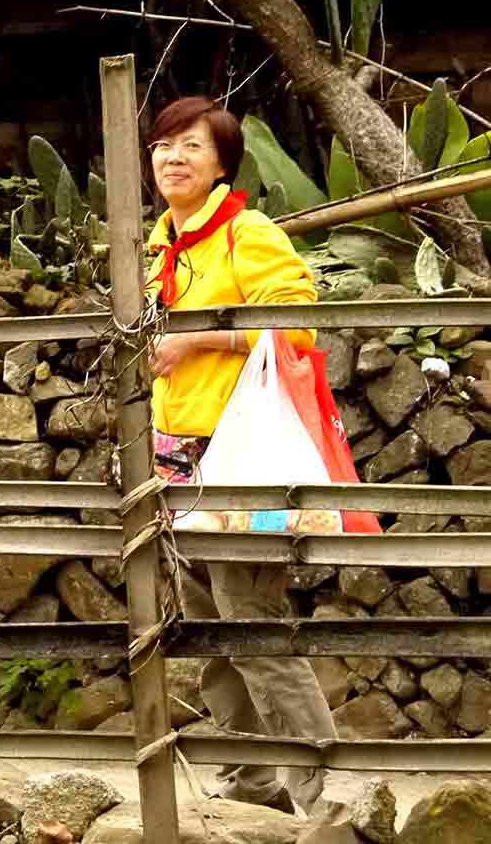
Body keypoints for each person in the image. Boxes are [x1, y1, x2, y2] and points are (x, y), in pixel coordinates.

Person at [145, 95, 336, 815]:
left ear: (223, 162)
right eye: (164, 146)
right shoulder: (163, 246)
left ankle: (322, 787)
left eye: (192, 146)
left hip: (238, 461)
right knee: (208, 626)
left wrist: (200, 338)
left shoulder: (245, 233)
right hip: (176, 461)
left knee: (249, 619)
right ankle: (254, 779)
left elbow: (299, 324)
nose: (174, 158)